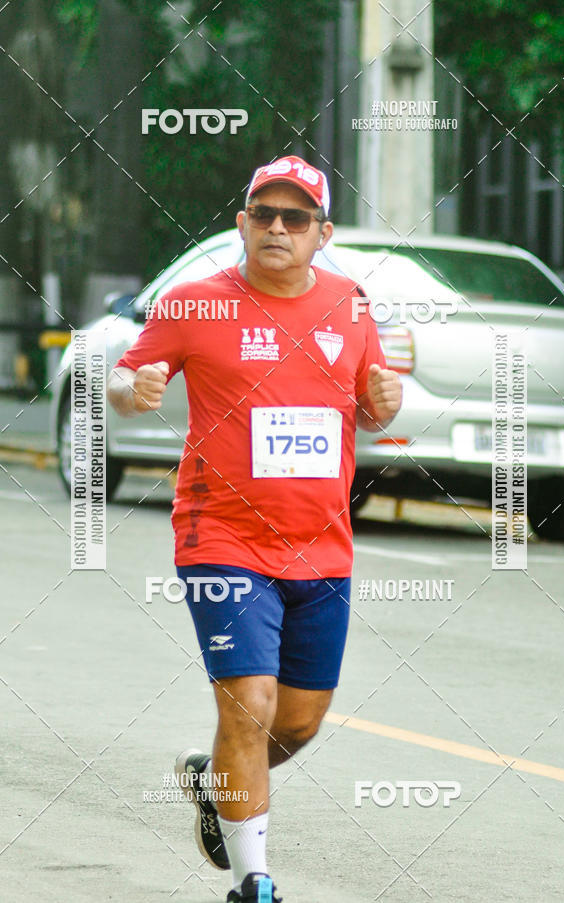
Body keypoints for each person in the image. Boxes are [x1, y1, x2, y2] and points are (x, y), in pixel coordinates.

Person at [107, 155, 403, 903]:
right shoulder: (193, 304)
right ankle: (253, 881)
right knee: (249, 704)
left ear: (322, 234)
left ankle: (218, 785)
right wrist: (133, 389)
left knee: (296, 724)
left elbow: (369, 410)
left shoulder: (350, 305)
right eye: (263, 214)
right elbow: (121, 378)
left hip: (322, 545)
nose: (277, 227)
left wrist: (386, 402)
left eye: (295, 217)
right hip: (223, 538)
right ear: (242, 224)